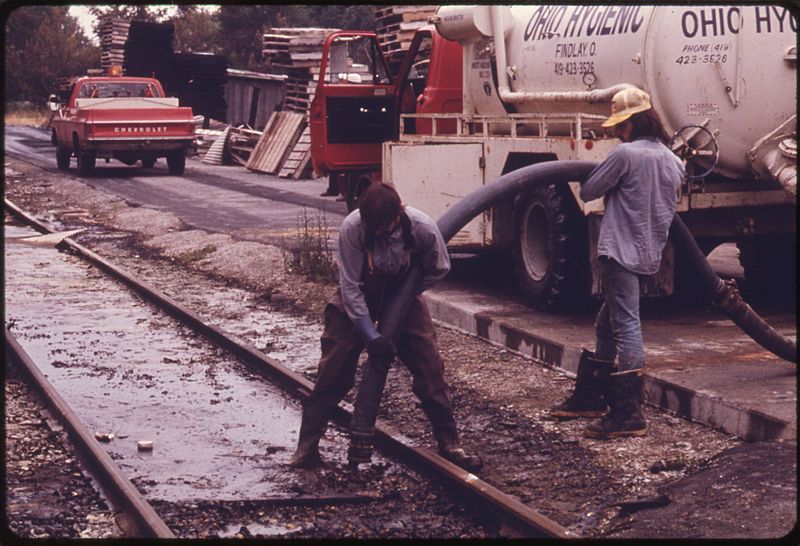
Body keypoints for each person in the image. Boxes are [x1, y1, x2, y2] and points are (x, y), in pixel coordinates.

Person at [290, 183, 482, 471]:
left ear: (397, 215)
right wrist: (370, 335)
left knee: (429, 368)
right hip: (358, 297)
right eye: (373, 228)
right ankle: (306, 450)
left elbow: (439, 268)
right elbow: (351, 287)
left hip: (402, 295)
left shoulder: (422, 229)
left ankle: (451, 444)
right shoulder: (353, 228)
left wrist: (404, 297)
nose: (378, 233)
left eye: (383, 228)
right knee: (333, 371)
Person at [550, 87, 684, 439]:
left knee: (625, 324)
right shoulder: (673, 160)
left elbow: (589, 190)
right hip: (647, 252)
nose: (616, 131)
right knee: (606, 323)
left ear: (634, 122)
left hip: (618, 251)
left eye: (620, 124)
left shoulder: (625, 155)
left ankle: (628, 414)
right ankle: (591, 396)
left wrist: (592, 171)